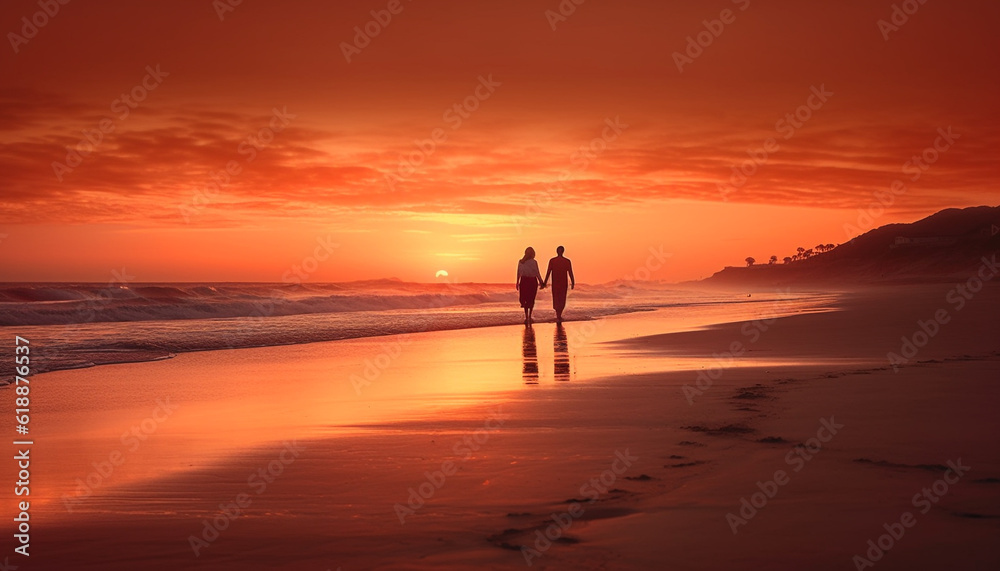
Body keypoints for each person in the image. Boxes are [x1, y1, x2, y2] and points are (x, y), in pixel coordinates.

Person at [543, 245, 575, 322]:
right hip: (558, 283)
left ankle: (558, 315)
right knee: (560, 299)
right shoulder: (560, 261)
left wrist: (573, 281)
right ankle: (558, 315)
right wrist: (545, 282)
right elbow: (548, 272)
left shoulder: (557, 261)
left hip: (559, 283)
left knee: (559, 299)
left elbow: (570, 272)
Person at [515, 247, 544, 324]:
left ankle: (526, 316)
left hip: (524, 281)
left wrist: (517, 282)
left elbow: (518, 273)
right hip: (532, 281)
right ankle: (529, 316)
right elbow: (537, 272)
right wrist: (541, 282)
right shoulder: (533, 262)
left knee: (525, 298)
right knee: (531, 299)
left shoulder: (521, 262)